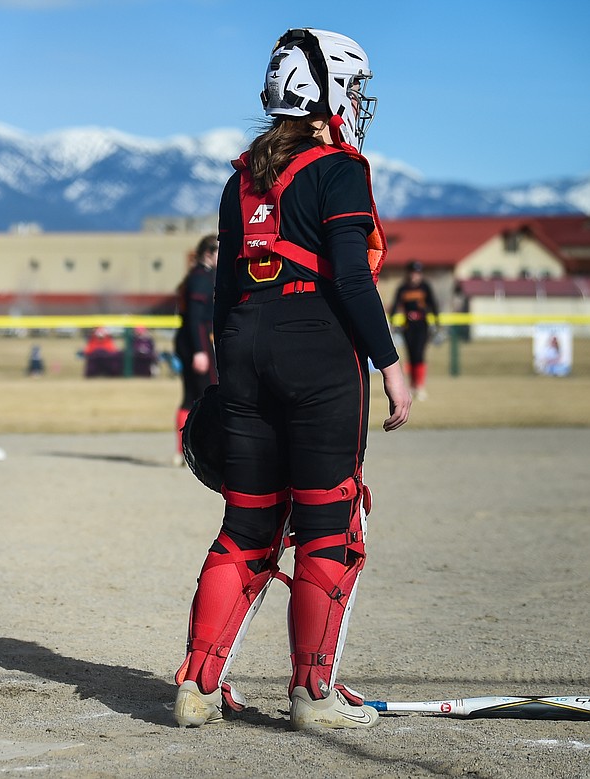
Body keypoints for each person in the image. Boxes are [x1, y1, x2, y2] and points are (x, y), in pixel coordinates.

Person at [172, 28, 411, 732]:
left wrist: (227, 375)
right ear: (329, 91)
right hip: (318, 352)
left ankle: (197, 685)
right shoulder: (340, 168)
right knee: (330, 528)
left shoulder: (241, 174)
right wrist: (392, 367)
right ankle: (312, 694)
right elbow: (346, 273)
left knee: (244, 526)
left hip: (244, 347)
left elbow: (223, 296)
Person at [173, 235, 219, 465]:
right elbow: (195, 318)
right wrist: (200, 350)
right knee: (206, 395)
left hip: (188, 341)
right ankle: (202, 451)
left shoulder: (198, 275)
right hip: (195, 342)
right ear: (208, 253)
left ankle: (182, 452)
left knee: (190, 396)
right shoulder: (202, 278)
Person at [388, 261, 439, 400]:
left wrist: (437, 322)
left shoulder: (425, 287)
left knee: (419, 354)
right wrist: (392, 321)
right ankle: (412, 386)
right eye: (412, 272)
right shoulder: (403, 288)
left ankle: (420, 386)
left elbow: (433, 304)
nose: (414, 276)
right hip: (408, 325)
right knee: (410, 356)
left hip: (422, 325)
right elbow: (395, 305)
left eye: (417, 273)